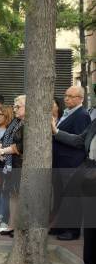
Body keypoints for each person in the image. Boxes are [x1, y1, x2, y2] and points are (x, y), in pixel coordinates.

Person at [52, 111, 96, 264]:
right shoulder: (94, 123)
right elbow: (79, 140)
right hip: (89, 168)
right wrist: (55, 131)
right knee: (91, 224)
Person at [51, 86, 91, 241]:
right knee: (61, 195)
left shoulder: (82, 115)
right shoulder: (67, 113)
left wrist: (56, 132)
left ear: (80, 98)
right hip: (61, 161)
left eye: (71, 96)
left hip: (71, 163)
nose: (66, 98)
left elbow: (79, 142)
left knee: (71, 197)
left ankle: (72, 230)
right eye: (65, 95)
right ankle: (61, 226)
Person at [0, 95, 25, 236]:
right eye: (14, 106)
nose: (15, 109)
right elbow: (6, 138)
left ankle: (18, 227)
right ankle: (11, 225)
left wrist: (2, 150)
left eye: (18, 107)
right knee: (13, 194)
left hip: (20, 164)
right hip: (11, 164)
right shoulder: (16, 121)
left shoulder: (28, 123)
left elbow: (21, 147)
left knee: (20, 195)